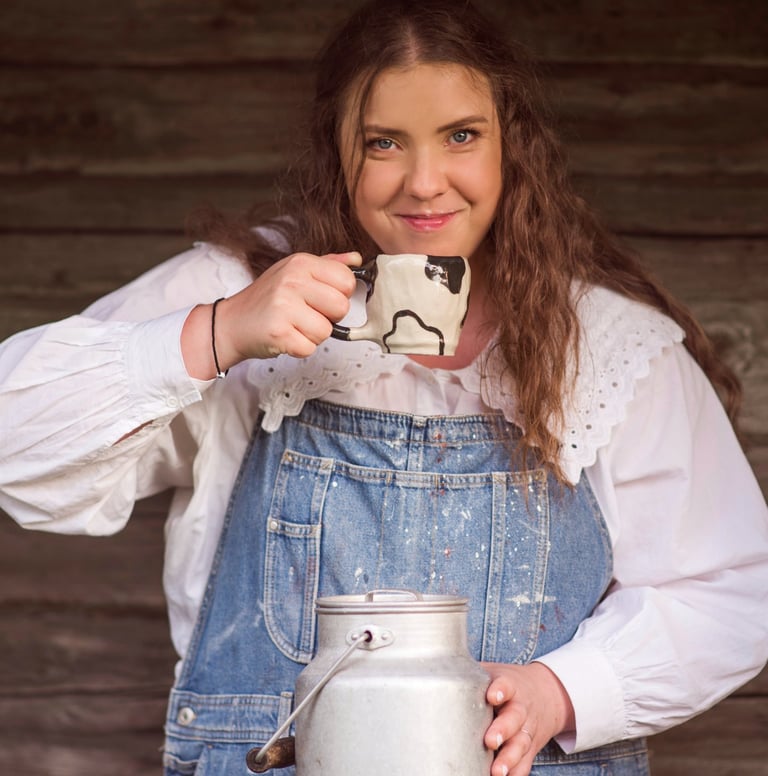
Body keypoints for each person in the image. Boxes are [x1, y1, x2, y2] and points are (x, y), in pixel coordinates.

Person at [1, 0, 766, 774]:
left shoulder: (605, 343)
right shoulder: (237, 290)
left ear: (514, 147)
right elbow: (13, 450)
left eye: (461, 136)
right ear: (337, 151)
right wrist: (216, 332)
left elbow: (735, 588)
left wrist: (565, 691)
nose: (425, 183)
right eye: (384, 143)